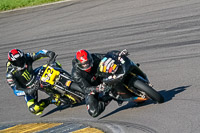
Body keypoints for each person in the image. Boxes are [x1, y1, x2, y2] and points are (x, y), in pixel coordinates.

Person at [71, 49, 149, 117]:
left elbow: (108, 56)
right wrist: (97, 89)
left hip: (103, 76)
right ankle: (110, 95)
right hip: (93, 87)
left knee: (118, 68)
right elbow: (85, 89)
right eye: (83, 64)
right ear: (78, 64)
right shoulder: (76, 74)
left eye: (87, 62)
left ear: (90, 59)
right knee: (94, 112)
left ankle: (134, 74)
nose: (86, 65)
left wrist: (118, 54)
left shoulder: (94, 57)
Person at [6, 49, 62, 115]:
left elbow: (39, 53)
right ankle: (51, 100)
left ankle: (65, 79)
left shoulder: (26, 57)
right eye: (17, 62)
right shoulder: (10, 74)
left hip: (36, 76)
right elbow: (16, 91)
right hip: (28, 88)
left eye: (21, 59)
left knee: (55, 64)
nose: (21, 62)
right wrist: (28, 91)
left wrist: (49, 53)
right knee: (34, 109)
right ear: (13, 63)